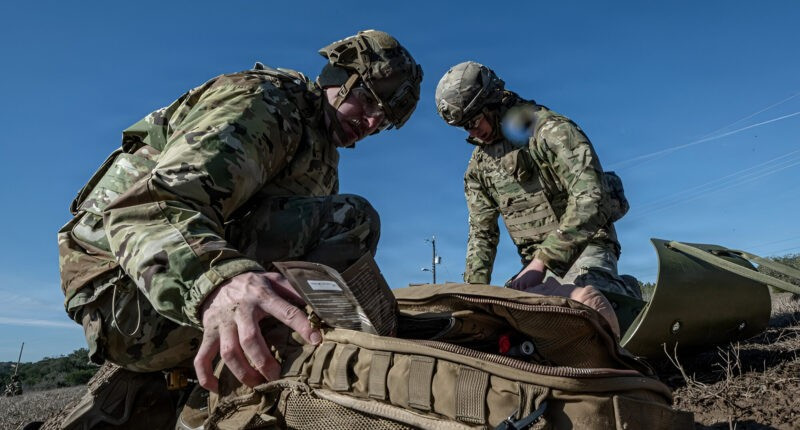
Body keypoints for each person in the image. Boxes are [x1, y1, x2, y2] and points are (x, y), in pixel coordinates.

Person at [55, 29, 422, 428]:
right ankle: (235, 397)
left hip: (161, 297)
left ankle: (213, 385)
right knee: (352, 219)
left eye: (383, 120)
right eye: (368, 101)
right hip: (126, 295)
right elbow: (148, 207)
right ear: (339, 78)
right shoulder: (265, 104)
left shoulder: (319, 153)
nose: (370, 122)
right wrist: (218, 284)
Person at [434, 61, 640, 301]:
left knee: (580, 308)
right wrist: (473, 294)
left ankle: (625, 294)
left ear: (491, 102)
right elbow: (482, 235)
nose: (471, 132)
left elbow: (593, 197)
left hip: (585, 247)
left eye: (474, 121)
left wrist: (543, 260)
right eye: (464, 127)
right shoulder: (478, 168)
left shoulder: (549, 131)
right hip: (533, 267)